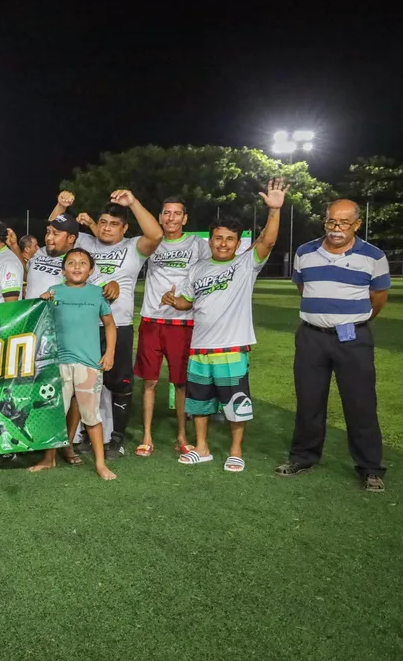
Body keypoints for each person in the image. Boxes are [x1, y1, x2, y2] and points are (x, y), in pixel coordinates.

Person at [160, 179, 286, 472]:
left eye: (230, 239)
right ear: (210, 240)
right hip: (200, 348)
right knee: (199, 404)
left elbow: (267, 241)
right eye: (218, 238)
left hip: (230, 349)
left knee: (235, 403)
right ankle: (202, 448)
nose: (223, 243)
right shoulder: (198, 269)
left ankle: (235, 451)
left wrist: (275, 210)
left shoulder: (245, 265)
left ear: (238, 242)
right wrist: (174, 300)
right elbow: (188, 303)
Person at [277, 199, 391, 491]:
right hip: (311, 336)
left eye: (344, 223)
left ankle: (370, 468)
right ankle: (304, 456)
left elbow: (377, 297)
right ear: (324, 221)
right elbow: (304, 287)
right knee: (308, 400)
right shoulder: (305, 252)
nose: (336, 228)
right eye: (331, 221)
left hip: (352, 338)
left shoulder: (373, 256)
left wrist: (352, 320)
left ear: (356, 224)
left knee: (360, 403)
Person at [52, 189, 164, 458]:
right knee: (82, 382)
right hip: (83, 327)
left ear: (125, 228)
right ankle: (82, 436)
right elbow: (54, 230)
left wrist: (133, 202)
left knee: (118, 382)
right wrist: (60, 205)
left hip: (119, 325)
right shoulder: (86, 243)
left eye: (115, 224)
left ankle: (117, 438)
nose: (107, 228)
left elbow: (156, 235)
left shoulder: (132, 247)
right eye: (103, 222)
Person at [29, 249, 117, 480]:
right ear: (63, 268)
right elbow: (40, 321)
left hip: (88, 365)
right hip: (59, 364)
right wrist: (42, 302)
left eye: (82, 263)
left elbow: (109, 325)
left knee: (91, 416)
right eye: (71, 263)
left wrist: (109, 354)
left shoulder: (98, 294)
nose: (77, 267)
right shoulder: (54, 292)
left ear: (91, 269)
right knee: (56, 413)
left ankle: (100, 464)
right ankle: (49, 459)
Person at [134, 197, 209, 457]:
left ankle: (181, 435)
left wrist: (186, 301)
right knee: (150, 382)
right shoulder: (151, 241)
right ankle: (146, 436)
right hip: (152, 320)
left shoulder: (199, 245)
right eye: (166, 213)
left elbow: (210, 273)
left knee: (180, 383)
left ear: (185, 219)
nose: (171, 218)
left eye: (177, 214)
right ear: (160, 216)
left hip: (183, 323)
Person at [25, 192, 80, 298]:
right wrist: (13, 246)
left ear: (71, 238)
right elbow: (26, 274)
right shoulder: (41, 252)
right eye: (48, 232)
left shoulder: (79, 261)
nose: (49, 237)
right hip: (32, 313)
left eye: (56, 234)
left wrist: (113, 285)